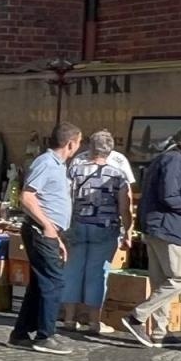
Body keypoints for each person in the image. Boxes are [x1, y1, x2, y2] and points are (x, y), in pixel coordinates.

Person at [125, 129, 181, 349]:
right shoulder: (173, 161)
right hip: (166, 227)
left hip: (156, 226)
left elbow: (180, 191)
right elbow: (170, 197)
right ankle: (137, 316)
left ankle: (160, 332)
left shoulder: (170, 159)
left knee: (162, 281)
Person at [10, 122, 82, 354]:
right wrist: (48, 227)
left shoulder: (58, 166)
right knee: (53, 282)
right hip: (40, 230)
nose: (78, 148)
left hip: (48, 231)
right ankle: (45, 335)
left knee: (41, 283)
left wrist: (57, 235)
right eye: (78, 144)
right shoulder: (46, 163)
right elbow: (28, 197)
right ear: (70, 144)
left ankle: (21, 333)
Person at [59, 131, 132, 334]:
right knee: (98, 274)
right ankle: (93, 322)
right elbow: (125, 207)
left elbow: (66, 199)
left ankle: (69, 319)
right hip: (105, 228)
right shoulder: (117, 175)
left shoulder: (75, 170)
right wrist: (128, 230)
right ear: (110, 150)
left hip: (77, 226)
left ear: (90, 148)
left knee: (72, 271)